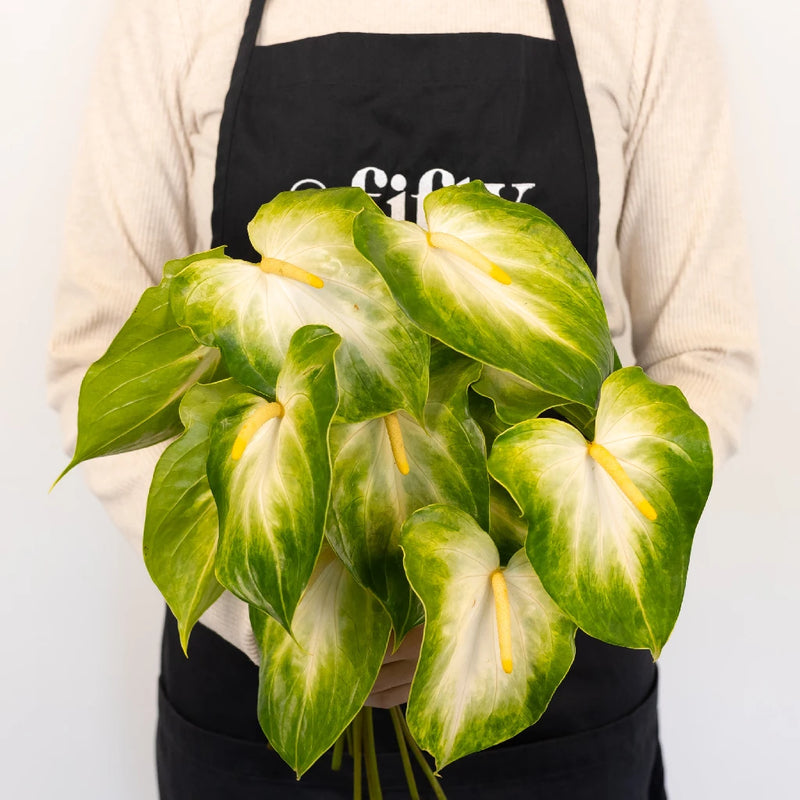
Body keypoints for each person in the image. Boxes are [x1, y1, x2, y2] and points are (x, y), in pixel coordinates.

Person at [47, 0, 758, 797]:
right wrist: (301, 612)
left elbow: (706, 352)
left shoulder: (642, 14)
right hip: (276, 671)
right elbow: (98, 353)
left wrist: (524, 591)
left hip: (543, 681)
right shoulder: (175, 16)